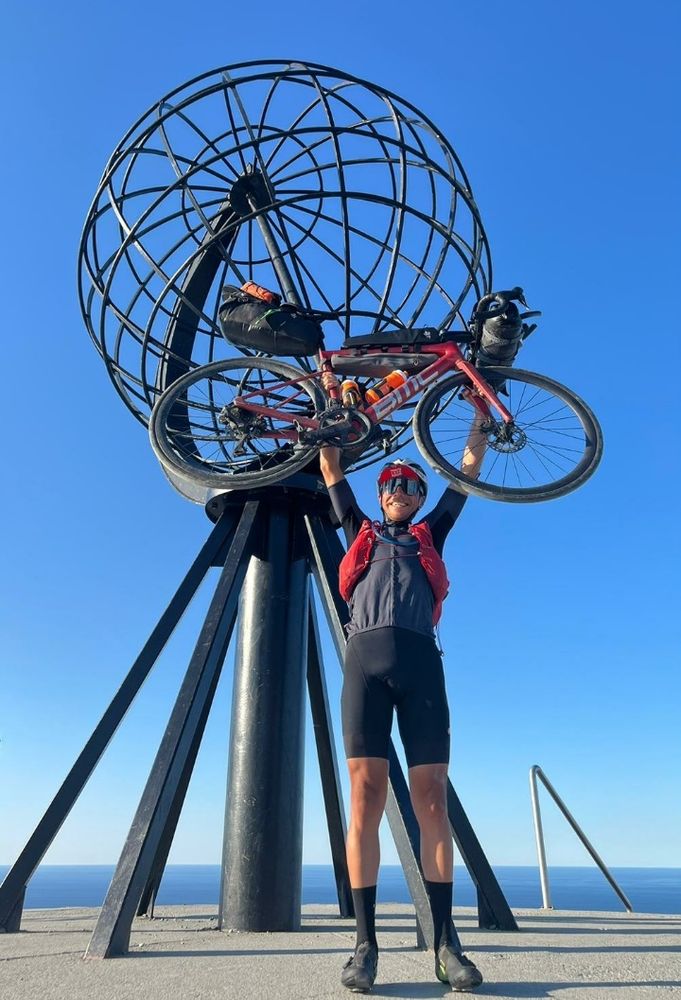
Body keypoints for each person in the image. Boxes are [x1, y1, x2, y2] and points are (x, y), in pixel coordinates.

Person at [318, 396, 488, 994]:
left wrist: (479, 419)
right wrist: (327, 409)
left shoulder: (429, 535)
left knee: (431, 800)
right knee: (364, 798)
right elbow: (332, 467)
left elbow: (464, 472)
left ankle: (446, 944)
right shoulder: (357, 530)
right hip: (364, 663)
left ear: (417, 499)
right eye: (391, 482)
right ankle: (364, 945)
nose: (398, 487)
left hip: (422, 664)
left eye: (409, 484)